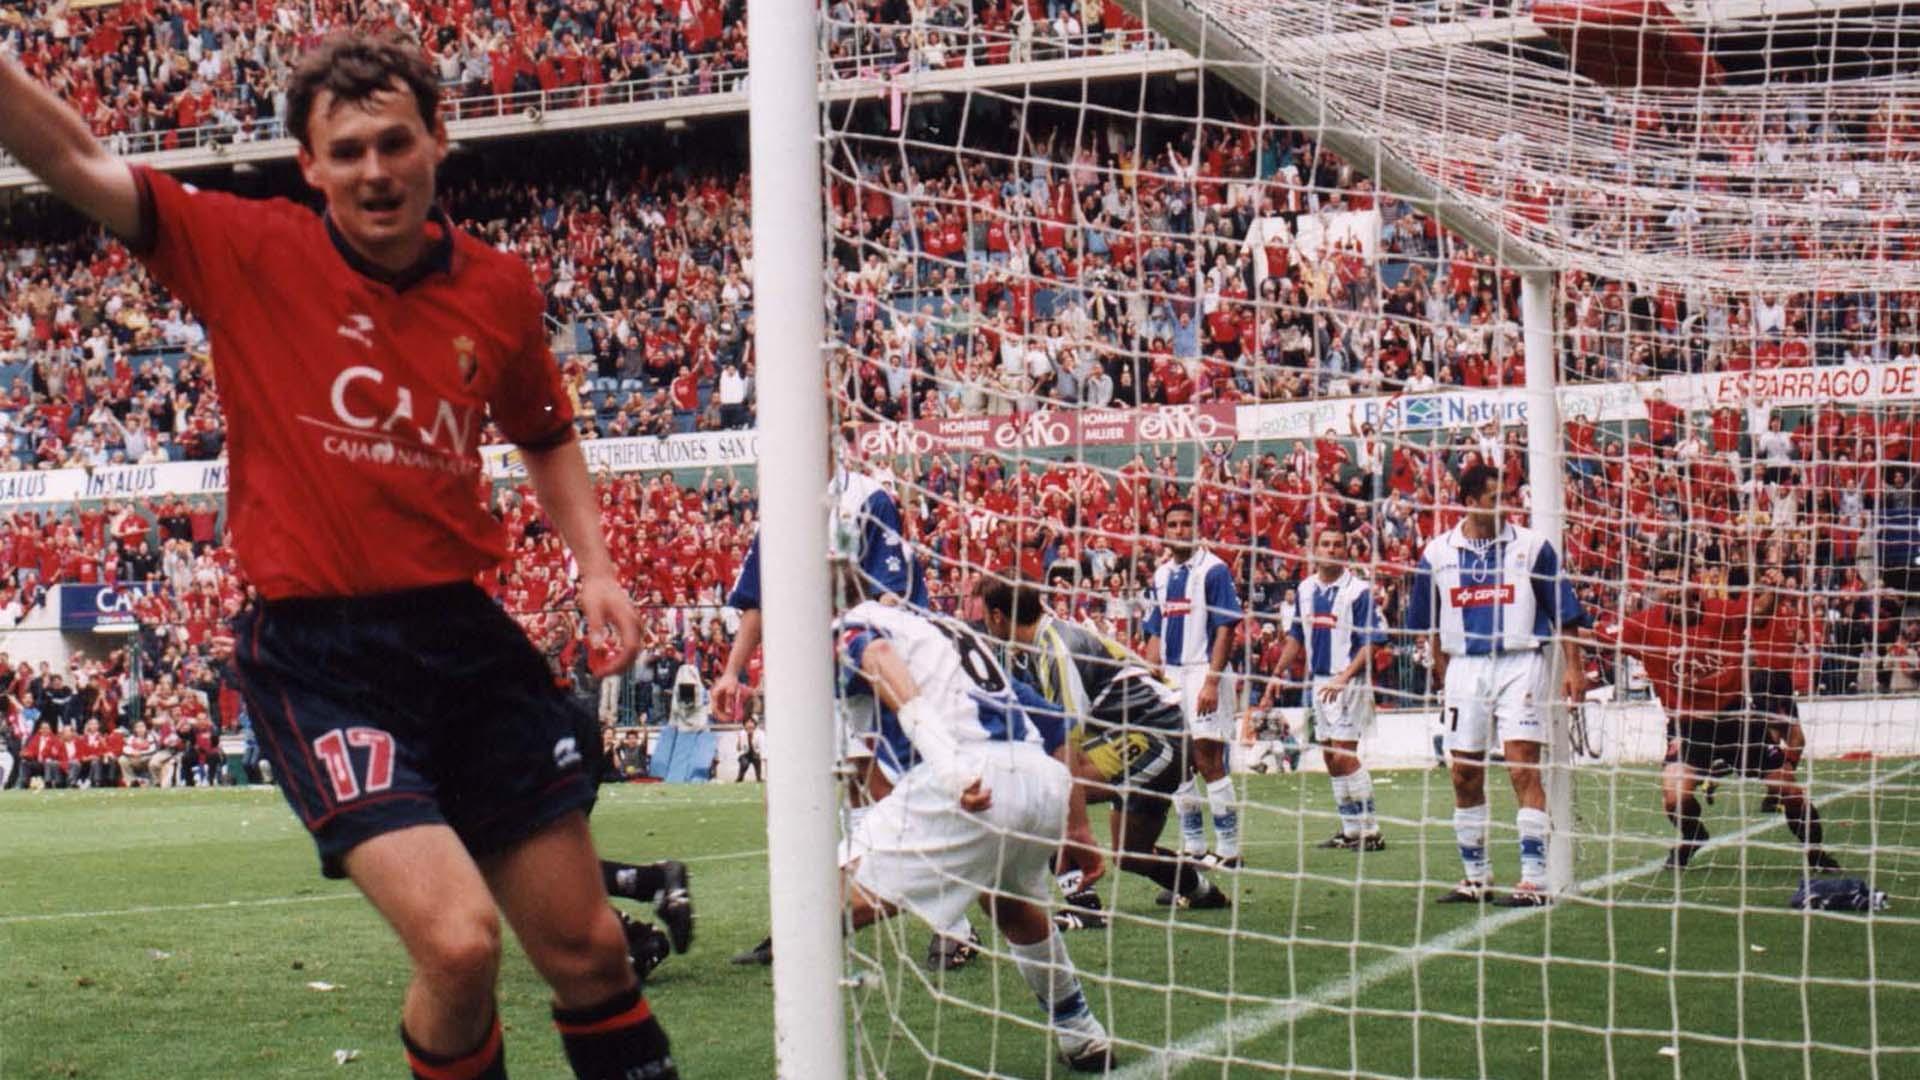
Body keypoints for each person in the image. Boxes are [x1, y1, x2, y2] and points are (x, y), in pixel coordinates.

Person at [0, 33, 675, 1079]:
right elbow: (80, 163)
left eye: (395, 142)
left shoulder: (497, 291)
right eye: (347, 150)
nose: (375, 170)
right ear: (309, 166)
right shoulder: (245, 249)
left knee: (589, 952)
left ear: (438, 142)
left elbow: (544, 431)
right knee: (458, 943)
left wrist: (595, 565)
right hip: (322, 656)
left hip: (465, 636)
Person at [837, 574, 1114, 1072]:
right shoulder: (942, 630)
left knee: (820, 907)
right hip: (1038, 779)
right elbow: (1053, 724)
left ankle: (806, 1052)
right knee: (1012, 904)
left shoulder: (856, 622)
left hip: (969, 779)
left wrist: (947, 765)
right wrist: (1078, 828)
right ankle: (1081, 1034)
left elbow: (877, 660)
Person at [719, 448, 976, 969]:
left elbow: (891, 592)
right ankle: (796, 923)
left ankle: (955, 926)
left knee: (887, 792)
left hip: (859, 669)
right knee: (785, 801)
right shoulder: (781, 508)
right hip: (798, 676)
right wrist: (730, 670)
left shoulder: (868, 497)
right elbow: (757, 599)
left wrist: (852, 645)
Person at [980, 578, 1232, 919]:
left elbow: (1066, 742)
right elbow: (1141, 665)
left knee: (1043, 787)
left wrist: (1077, 827)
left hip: (1155, 738)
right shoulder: (1052, 635)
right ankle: (1201, 892)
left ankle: (1082, 906)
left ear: (997, 616)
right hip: (1152, 733)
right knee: (1131, 854)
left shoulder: (1057, 650)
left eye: (983, 614)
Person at [1408, 464, 1587, 907]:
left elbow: (1564, 614)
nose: (1505, 505)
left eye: (1506, 496)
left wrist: (1574, 669)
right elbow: (1425, 622)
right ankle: (1476, 877)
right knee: (1464, 772)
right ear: (1469, 503)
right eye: (1494, 499)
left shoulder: (1533, 547)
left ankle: (1533, 880)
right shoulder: (1436, 554)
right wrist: (1438, 665)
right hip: (1465, 668)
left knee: (1522, 767)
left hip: (1521, 662)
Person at [1592, 563, 1840, 872]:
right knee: (1674, 798)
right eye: (1673, 591)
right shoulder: (1643, 626)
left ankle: (1816, 854)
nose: (1688, 601)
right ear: (1663, 597)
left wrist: (1773, 589)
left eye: (1690, 593)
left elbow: (1759, 611)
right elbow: (1591, 634)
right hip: (1689, 728)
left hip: (1736, 720)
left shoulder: (1720, 612)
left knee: (1788, 790)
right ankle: (1693, 835)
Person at [1271, 525, 1389, 851]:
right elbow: (1296, 637)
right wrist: (1277, 673)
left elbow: (1371, 643)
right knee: (1329, 756)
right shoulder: (1306, 589)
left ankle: (1371, 830)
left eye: (1338, 544)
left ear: (1346, 551)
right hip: (1319, 681)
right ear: (1315, 549)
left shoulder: (1359, 591)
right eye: (1326, 544)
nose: (1332, 549)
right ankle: (1350, 829)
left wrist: (1345, 676)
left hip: (1346, 680)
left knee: (1344, 753)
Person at [1143, 502, 1243, 871]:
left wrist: (1212, 681)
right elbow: (1153, 627)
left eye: (1187, 523)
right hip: (1171, 677)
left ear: (1198, 528)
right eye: (1174, 524)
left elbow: (1225, 628)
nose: (1180, 530)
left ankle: (1230, 850)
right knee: (1178, 762)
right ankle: (1195, 847)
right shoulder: (1161, 574)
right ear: (1165, 530)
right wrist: (1152, 670)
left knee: (1208, 759)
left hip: (1203, 670)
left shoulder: (1214, 569)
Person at [735, 717, 763, 782]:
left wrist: (759, 754)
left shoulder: (760, 734)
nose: (749, 724)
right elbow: (738, 749)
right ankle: (740, 778)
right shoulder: (742, 733)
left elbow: (762, 747)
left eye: (751, 722)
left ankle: (759, 778)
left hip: (755, 753)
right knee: (744, 763)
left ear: (755, 725)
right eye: (747, 723)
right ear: (744, 725)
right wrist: (739, 740)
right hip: (745, 754)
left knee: (757, 758)